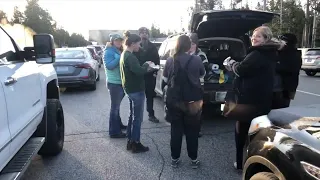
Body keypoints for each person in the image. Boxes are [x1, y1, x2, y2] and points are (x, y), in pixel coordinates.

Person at [223, 26, 280, 170]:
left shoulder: (257, 53)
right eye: (253, 36)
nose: (254, 38)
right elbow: (250, 68)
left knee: (241, 132)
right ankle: (257, 162)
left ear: (265, 39)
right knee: (258, 133)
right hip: (262, 100)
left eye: (258, 36)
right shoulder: (270, 53)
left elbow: (241, 70)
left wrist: (230, 64)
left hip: (248, 101)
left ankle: (241, 163)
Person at [162, 35, 205, 169]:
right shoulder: (197, 59)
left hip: (174, 101)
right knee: (192, 131)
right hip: (192, 101)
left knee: (176, 130)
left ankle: (175, 159)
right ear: (189, 46)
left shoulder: (170, 60)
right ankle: (193, 159)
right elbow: (202, 74)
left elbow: (164, 78)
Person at [120, 31, 155, 153]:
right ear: (132, 44)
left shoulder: (124, 54)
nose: (139, 47)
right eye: (138, 44)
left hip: (130, 89)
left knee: (132, 116)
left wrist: (144, 66)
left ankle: (130, 141)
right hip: (136, 90)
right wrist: (147, 65)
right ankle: (136, 143)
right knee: (137, 118)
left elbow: (135, 70)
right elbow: (138, 71)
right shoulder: (130, 56)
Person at [134, 27, 160, 123]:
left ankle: (151, 114)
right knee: (138, 97)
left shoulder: (152, 47)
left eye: (146, 33)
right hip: (139, 76)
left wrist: (155, 71)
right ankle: (137, 115)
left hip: (150, 75)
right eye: (142, 33)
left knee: (150, 96)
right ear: (139, 35)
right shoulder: (135, 47)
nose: (144, 34)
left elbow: (157, 60)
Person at [104, 34, 127, 138]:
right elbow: (109, 66)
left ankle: (118, 125)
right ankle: (114, 132)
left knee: (116, 107)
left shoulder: (117, 50)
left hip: (119, 82)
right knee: (115, 108)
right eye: (117, 40)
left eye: (120, 40)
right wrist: (119, 58)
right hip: (114, 83)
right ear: (112, 41)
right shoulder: (108, 51)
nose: (119, 42)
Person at [272, 33, 302, 109]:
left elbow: (282, 68)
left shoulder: (292, 55)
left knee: (279, 110)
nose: (279, 43)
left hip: (284, 89)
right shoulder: (283, 53)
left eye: (281, 41)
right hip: (284, 89)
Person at [188, 33, 208, 138]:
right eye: (189, 43)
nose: (190, 46)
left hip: (198, 85)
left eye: (192, 44)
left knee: (198, 108)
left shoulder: (201, 55)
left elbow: (204, 70)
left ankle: (197, 129)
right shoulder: (184, 54)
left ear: (196, 44)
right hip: (187, 85)